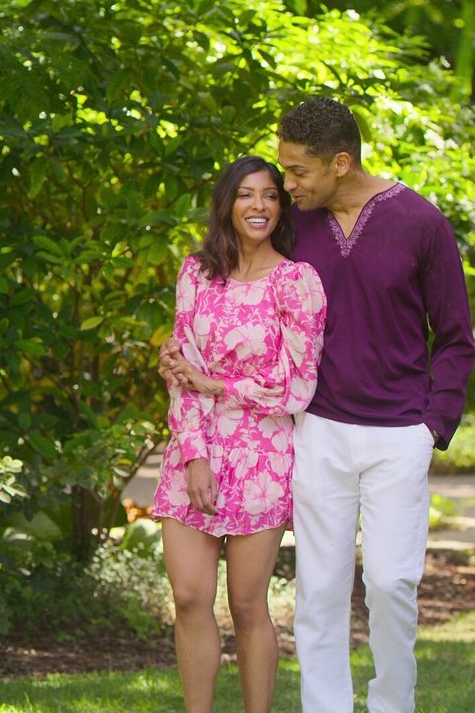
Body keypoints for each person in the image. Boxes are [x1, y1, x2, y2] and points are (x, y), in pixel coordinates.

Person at [165, 97, 475, 713]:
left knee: (391, 581)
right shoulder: (296, 224)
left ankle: (392, 705)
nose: (286, 186)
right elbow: (237, 284)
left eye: (297, 171)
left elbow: (455, 336)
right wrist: (180, 359)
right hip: (316, 429)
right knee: (320, 592)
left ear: (340, 163)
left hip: (399, 431)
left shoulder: (421, 223)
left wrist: (432, 427)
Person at [150, 154, 327, 713]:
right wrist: (195, 456)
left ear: (281, 207)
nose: (259, 205)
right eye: (247, 194)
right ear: (227, 203)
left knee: (248, 606)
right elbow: (182, 373)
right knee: (189, 597)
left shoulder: (297, 282)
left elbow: (297, 385)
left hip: (262, 456)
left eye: (271, 195)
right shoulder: (196, 274)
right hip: (195, 449)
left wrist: (215, 383)